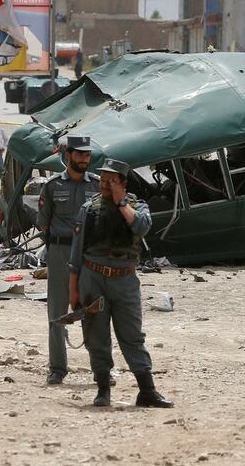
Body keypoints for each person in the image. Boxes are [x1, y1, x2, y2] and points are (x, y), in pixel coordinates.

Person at [69, 159, 172, 408]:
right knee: (96, 335)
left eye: (111, 181)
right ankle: (103, 388)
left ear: (123, 183)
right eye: (103, 180)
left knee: (132, 335)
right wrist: (73, 291)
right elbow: (76, 254)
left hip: (124, 279)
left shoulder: (138, 206)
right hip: (93, 278)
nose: (104, 185)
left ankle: (146, 391)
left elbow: (141, 226)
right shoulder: (88, 208)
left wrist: (121, 201)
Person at [37, 135, 100, 385]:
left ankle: (100, 367)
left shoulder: (96, 185)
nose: (85, 159)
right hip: (60, 252)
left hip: (88, 255)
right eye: (80, 154)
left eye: (87, 155)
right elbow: (44, 222)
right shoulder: (52, 186)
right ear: (68, 155)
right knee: (57, 310)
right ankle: (57, 368)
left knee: (93, 309)